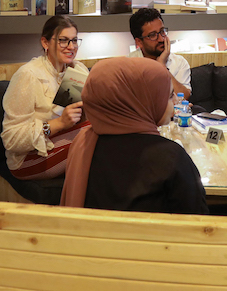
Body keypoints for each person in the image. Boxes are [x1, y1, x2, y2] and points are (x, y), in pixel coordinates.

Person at [60, 57, 209, 214]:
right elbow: (198, 222)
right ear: (143, 100)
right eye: (169, 94)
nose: (175, 101)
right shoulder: (170, 156)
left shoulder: (82, 143)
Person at [1, 16, 88, 180]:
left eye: (74, 40)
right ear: (45, 43)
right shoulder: (28, 75)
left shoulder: (78, 69)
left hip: (64, 139)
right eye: (63, 40)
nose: (71, 47)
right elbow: (11, 140)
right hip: (28, 158)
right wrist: (59, 123)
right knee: (93, 144)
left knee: (110, 132)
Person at [128, 8, 191, 100]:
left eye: (162, 31)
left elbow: (183, 98)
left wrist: (162, 67)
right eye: (153, 35)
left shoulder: (179, 63)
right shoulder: (128, 66)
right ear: (139, 42)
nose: (161, 39)